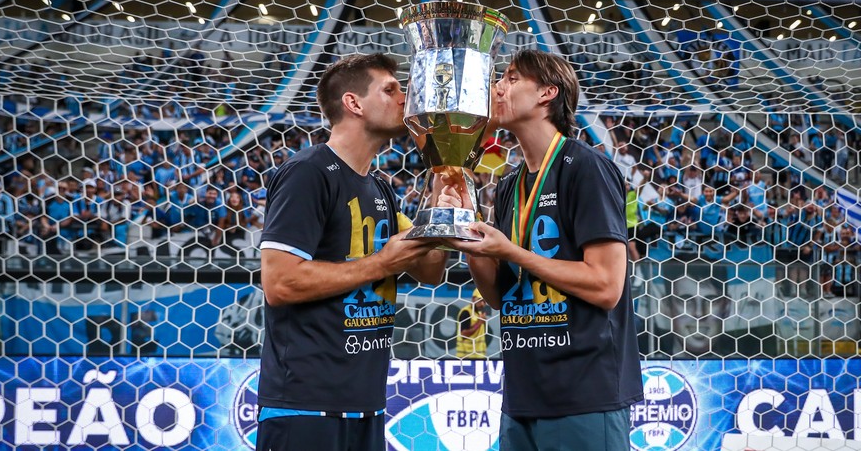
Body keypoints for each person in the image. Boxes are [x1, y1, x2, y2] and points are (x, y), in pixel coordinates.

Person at [445, 50, 643, 451]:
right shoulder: (509, 183)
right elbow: (500, 296)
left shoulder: (586, 167)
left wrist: (513, 252)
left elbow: (607, 286)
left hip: (584, 395)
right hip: (522, 395)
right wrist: (471, 240)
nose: (497, 87)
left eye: (512, 78)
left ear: (547, 93)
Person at [256, 53, 452, 451]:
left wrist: (439, 191)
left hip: (366, 405)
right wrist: (382, 263)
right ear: (354, 103)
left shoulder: (377, 186)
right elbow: (279, 283)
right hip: (307, 408)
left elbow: (430, 269)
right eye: (390, 89)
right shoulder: (308, 172)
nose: (404, 97)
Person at [456, 289, 489, 359]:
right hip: (466, 357)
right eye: (480, 300)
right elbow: (464, 334)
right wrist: (479, 323)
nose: (483, 304)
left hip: (479, 356)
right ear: (473, 299)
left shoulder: (479, 313)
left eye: (484, 301)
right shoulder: (466, 312)